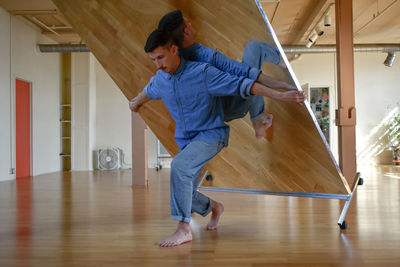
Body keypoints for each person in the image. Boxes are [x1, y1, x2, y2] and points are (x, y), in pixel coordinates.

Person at [129, 29, 305, 247]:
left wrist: (280, 95)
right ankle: (215, 207)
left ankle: (183, 230)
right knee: (186, 192)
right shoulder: (161, 79)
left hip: (211, 134)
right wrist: (135, 102)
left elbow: (244, 84)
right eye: (153, 59)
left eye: (160, 57)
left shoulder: (202, 72)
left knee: (179, 167)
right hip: (187, 141)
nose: (158, 64)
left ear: (174, 50)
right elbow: (149, 90)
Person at [157, 10, 299, 139]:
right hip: (234, 105)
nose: (191, 23)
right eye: (188, 22)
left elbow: (153, 87)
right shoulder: (207, 56)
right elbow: (246, 73)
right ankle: (281, 61)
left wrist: (135, 101)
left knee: (244, 77)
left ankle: (258, 120)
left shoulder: (174, 64)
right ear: (187, 31)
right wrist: (283, 88)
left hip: (216, 113)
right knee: (254, 48)